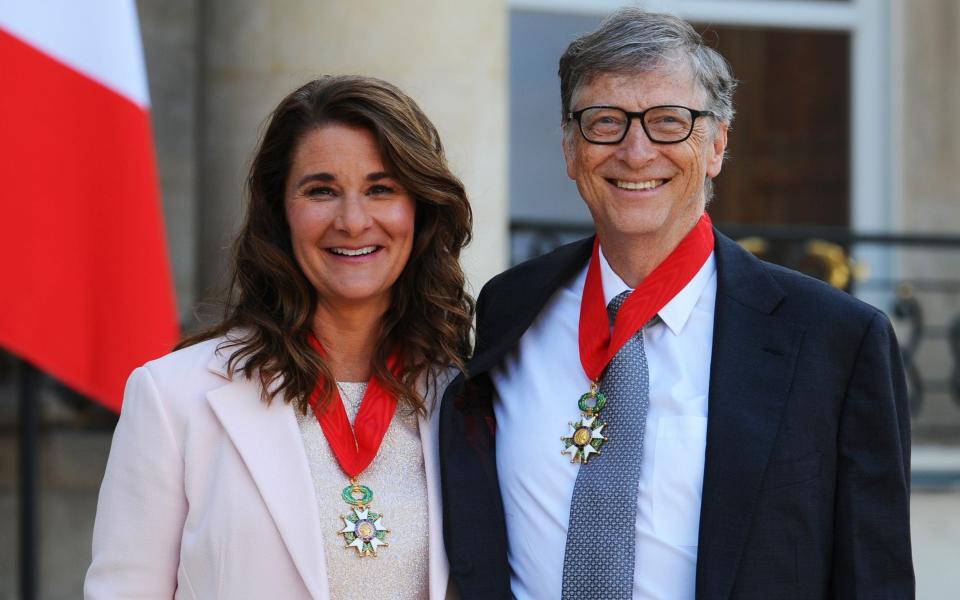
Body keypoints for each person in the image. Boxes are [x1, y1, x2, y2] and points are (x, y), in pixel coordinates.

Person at [439, 8, 913, 600]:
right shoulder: (510, 307)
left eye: (669, 121)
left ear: (716, 144)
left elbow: (875, 581)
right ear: (569, 148)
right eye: (604, 121)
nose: (636, 152)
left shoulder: (835, 343)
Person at [86, 75, 473, 599]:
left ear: (420, 209)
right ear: (280, 210)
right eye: (322, 191)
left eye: (381, 189)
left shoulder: (465, 396)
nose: (353, 221)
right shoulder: (173, 397)